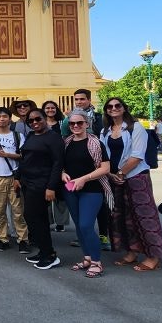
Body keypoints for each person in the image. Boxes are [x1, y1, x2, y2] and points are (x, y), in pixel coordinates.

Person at [101, 97, 162, 272]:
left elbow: (137, 155)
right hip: (114, 177)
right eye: (110, 106)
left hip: (136, 176)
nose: (114, 108)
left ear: (124, 108)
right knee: (122, 217)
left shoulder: (135, 128)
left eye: (117, 105)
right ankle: (132, 251)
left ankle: (153, 257)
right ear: (106, 110)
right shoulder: (105, 130)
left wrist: (121, 173)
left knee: (144, 217)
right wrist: (112, 175)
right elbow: (103, 155)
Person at [61, 108, 112, 278]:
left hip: (92, 189)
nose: (75, 125)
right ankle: (87, 258)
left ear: (86, 124)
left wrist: (84, 178)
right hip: (70, 189)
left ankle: (97, 261)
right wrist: (62, 173)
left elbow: (105, 168)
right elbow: (61, 164)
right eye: (72, 123)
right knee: (79, 226)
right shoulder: (66, 142)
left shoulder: (96, 143)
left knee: (86, 225)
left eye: (79, 123)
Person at [20, 109, 65, 270]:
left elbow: (57, 163)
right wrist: (18, 178)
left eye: (37, 119)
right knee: (37, 218)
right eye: (30, 121)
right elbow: (25, 158)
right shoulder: (32, 135)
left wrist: (51, 187)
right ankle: (44, 250)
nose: (34, 123)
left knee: (33, 216)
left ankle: (49, 255)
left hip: (42, 183)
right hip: (28, 182)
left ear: (45, 118)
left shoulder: (53, 137)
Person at [0, 106, 29, 252]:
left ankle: (23, 239)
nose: (2, 119)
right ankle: (2, 238)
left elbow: (24, 156)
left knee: (18, 211)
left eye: (4, 116)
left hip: (14, 177)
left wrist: (8, 155)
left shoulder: (17, 136)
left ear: (9, 118)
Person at [41, 100, 71, 232]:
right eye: (47, 108)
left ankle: (61, 222)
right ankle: (47, 220)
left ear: (56, 109)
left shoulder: (62, 123)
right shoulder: (40, 123)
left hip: (60, 159)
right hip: (44, 161)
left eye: (52, 108)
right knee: (45, 192)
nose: (50, 110)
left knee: (60, 194)